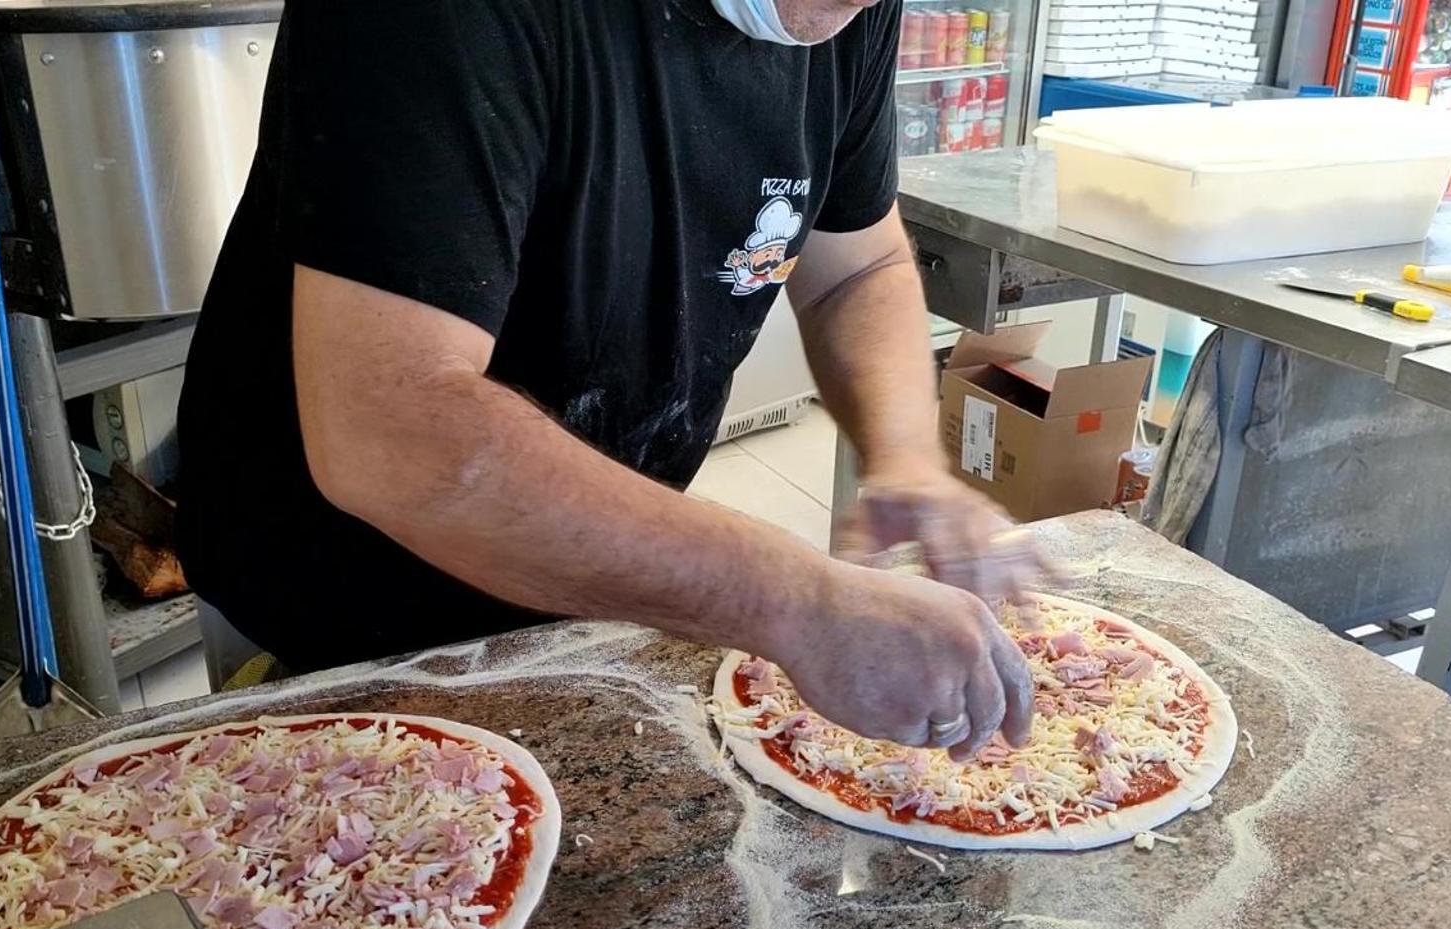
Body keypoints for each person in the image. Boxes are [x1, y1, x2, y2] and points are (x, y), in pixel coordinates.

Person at [178, 0, 1040, 759]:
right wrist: (799, 602)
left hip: (604, 582)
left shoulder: (847, 13)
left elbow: (859, 264)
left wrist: (906, 459)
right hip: (342, 620)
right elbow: (399, 435)